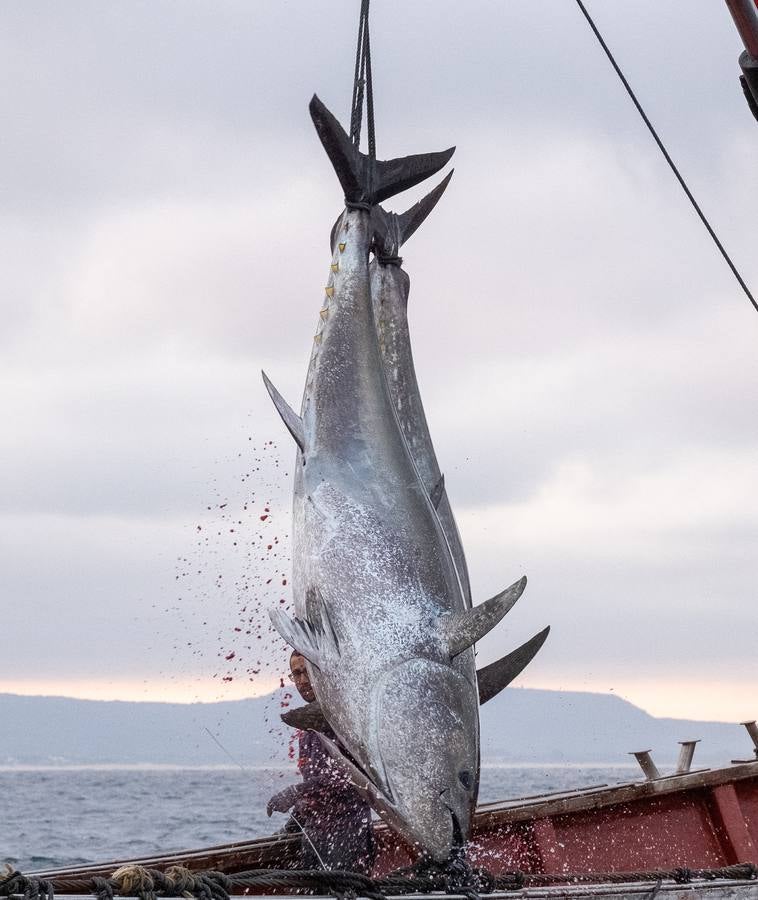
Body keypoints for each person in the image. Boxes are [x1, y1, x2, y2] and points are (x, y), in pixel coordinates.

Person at [267, 651, 375, 872]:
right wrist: (292, 825)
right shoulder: (306, 729)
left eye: (307, 671)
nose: (302, 680)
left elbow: (349, 779)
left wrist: (296, 791)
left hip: (349, 836)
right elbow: (316, 788)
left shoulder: (343, 719)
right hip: (314, 837)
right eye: (296, 674)